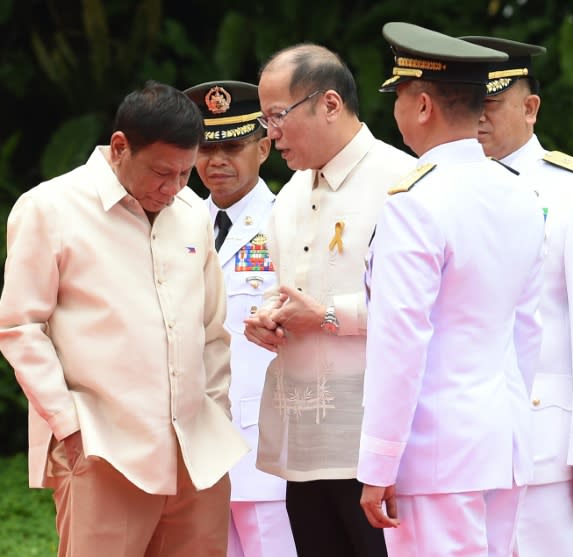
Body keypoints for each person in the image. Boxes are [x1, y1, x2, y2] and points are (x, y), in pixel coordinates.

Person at [0, 81, 248, 557]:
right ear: (119, 147)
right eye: (160, 173)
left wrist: (214, 409)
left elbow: (212, 330)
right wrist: (68, 426)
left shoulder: (192, 214)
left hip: (198, 453)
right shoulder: (50, 208)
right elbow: (19, 325)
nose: (171, 189)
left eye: (183, 174)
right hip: (103, 447)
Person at [357, 22, 545, 557]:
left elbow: (400, 342)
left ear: (421, 106)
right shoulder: (521, 194)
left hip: (435, 451)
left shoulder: (416, 200)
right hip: (503, 441)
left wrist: (379, 463)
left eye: (398, 97)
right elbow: (525, 331)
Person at [461, 35, 573, 556]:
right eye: (469, 103)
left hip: (546, 450)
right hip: (460, 446)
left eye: (491, 103)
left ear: (530, 107)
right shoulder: (442, 191)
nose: (479, 117)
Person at [243, 44, 416, 556]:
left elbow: (425, 310)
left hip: (374, 440)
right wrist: (269, 320)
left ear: (330, 104)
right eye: (265, 118)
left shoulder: (400, 182)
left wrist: (327, 316)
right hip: (304, 438)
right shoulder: (291, 194)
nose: (269, 134)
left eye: (277, 116)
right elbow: (286, 287)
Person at [184, 80, 297, 557]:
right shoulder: (179, 220)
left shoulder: (288, 218)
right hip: (196, 433)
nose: (217, 161)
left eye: (232, 145)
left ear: (264, 147)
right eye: (206, 147)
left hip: (264, 435)